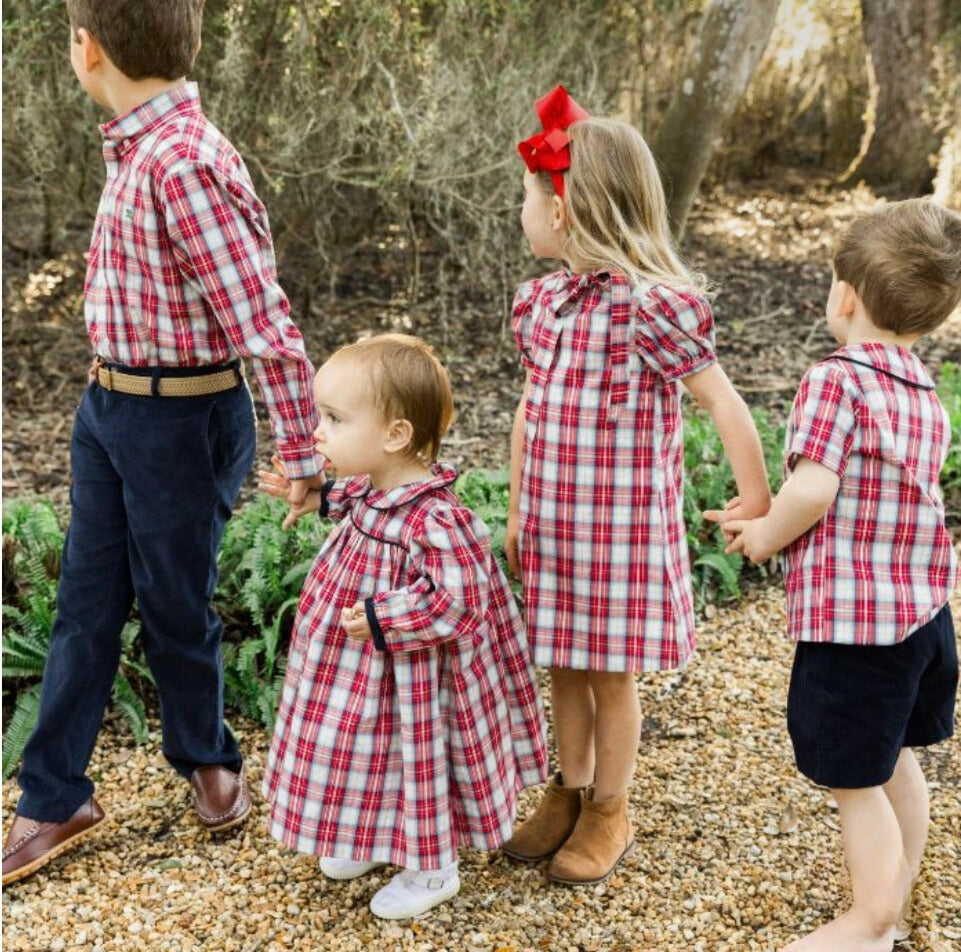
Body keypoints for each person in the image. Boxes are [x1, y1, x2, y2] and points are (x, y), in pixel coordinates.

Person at [1, 0, 322, 887]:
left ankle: (206, 756)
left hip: (183, 420)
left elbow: (263, 324)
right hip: (109, 410)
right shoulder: (139, 147)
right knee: (85, 603)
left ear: (86, 48)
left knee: (177, 602)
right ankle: (52, 793)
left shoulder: (183, 163)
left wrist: (303, 453)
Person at [501, 85, 772, 886]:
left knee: (609, 675)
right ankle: (569, 788)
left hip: (617, 536)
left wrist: (755, 497)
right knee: (562, 665)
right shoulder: (541, 306)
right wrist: (518, 510)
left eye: (527, 197)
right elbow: (526, 413)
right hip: (554, 525)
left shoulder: (652, 308)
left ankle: (610, 808)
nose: (521, 213)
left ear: (564, 210)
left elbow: (722, 400)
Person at [708, 199, 960, 952]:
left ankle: (869, 920)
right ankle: (897, 885)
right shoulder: (922, 394)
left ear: (844, 293)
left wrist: (761, 535)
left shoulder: (835, 381)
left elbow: (814, 490)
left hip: (856, 630)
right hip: (922, 619)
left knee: (852, 778)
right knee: (894, 760)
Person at [259, 333, 549, 919]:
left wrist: (382, 615)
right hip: (359, 670)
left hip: (418, 678)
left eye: (335, 419)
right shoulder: (375, 486)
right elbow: (352, 502)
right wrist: (316, 500)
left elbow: (460, 603)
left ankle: (433, 864)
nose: (318, 431)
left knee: (416, 756)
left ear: (396, 435)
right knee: (363, 749)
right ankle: (372, 836)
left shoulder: (440, 518)